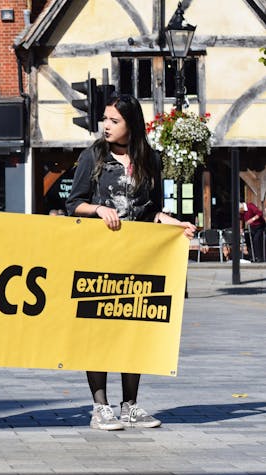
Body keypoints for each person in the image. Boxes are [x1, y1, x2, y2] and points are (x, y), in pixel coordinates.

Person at [66, 93, 196, 431]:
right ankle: (100, 406)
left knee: (132, 329)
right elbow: (73, 203)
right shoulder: (93, 157)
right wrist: (98, 209)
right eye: (105, 119)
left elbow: (151, 210)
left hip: (136, 261)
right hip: (98, 258)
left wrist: (176, 224)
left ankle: (130, 405)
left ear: (131, 125)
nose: (106, 126)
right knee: (98, 331)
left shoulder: (149, 159)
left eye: (114, 121)